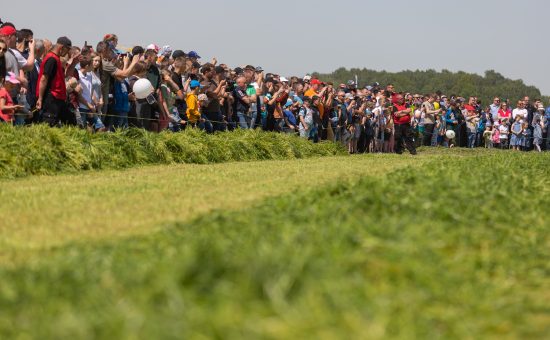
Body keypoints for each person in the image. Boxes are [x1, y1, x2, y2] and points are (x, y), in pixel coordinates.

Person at [36, 36, 75, 126]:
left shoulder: (55, 58)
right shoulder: (51, 59)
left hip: (58, 98)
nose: (67, 52)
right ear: (62, 48)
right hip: (52, 97)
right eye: (67, 49)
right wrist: (40, 98)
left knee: (71, 121)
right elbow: (44, 79)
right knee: (49, 123)